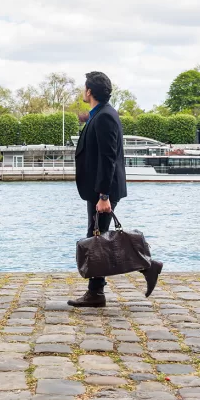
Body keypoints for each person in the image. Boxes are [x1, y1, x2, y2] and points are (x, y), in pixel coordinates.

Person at [68, 71, 163, 308]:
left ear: (89, 91)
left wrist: (104, 196)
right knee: (96, 237)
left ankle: (104, 289)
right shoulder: (99, 114)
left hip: (103, 190)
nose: (83, 91)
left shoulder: (104, 117)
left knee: (97, 238)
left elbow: (108, 158)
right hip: (98, 188)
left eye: (84, 88)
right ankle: (99, 290)